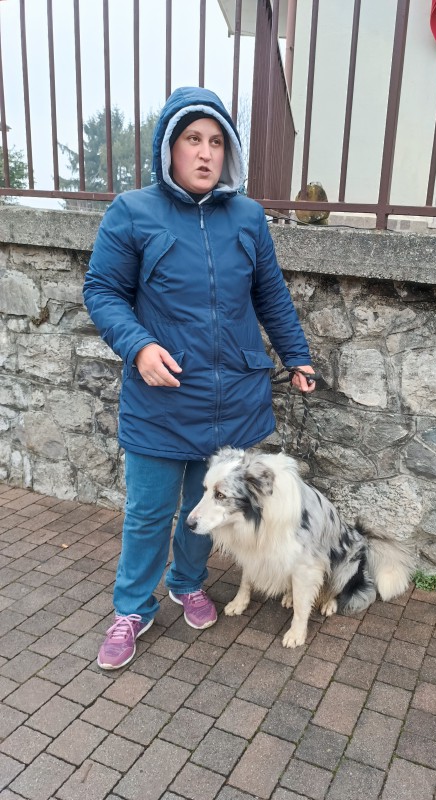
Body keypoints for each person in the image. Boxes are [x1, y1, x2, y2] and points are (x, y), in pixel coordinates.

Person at [83, 86, 315, 670]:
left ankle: (187, 583)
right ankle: (132, 608)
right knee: (148, 512)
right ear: (169, 147)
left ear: (228, 150)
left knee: (205, 508)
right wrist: (138, 347)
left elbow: (270, 294)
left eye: (216, 141)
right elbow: (103, 291)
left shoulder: (248, 217)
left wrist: (297, 355)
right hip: (161, 398)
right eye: (192, 139)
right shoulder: (132, 212)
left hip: (233, 397)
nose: (206, 152)